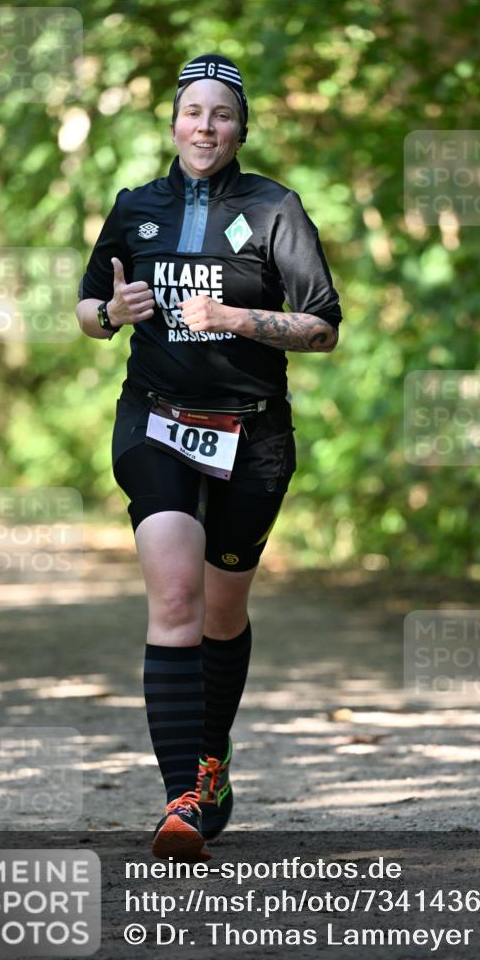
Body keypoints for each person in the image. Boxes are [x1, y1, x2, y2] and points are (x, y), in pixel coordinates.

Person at [76, 54, 341, 860]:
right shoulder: (135, 207)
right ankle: (180, 801)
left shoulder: (273, 208)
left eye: (221, 113)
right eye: (193, 111)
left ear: (240, 126)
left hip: (252, 435)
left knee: (222, 613)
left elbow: (322, 325)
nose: (205, 126)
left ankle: (212, 761)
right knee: (177, 591)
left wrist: (234, 316)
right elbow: (89, 307)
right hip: (154, 419)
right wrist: (109, 312)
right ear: (173, 122)